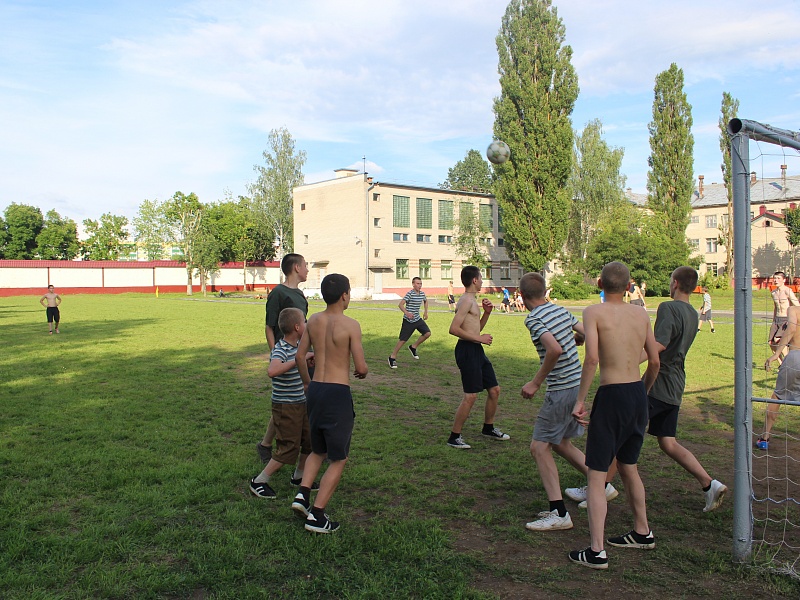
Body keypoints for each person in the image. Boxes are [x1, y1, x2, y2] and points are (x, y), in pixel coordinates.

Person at [568, 261, 661, 570]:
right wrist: (642, 394)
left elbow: (592, 357)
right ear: (629, 285)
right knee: (628, 466)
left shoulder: (593, 312)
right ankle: (642, 531)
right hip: (636, 392)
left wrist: (580, 400)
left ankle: (596, 551)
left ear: (600, 283)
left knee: (596, 476)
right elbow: (655, 362)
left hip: (612, 393)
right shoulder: (641, 313)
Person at [519, 272, 596, 532]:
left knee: (539, 447)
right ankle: (601, 486)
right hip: (577, 386)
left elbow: (554, 349)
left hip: (561, 389)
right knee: (561, 442)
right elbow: (585, 334)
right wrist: (578, 340)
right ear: (544, 292)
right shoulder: (559, 310)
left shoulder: (534, 318)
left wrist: (535, 382)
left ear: (522, 296)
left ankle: (559, 512)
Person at [646, 267, 727, 513]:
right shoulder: (693, 313)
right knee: (668, 442)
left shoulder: (667, 308)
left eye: (671, 281)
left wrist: (630, 360)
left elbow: (659, 345)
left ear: (676, 283)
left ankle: (600, 485)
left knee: (627, 433)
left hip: (659, 382)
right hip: (677, 383)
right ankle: (709, 483)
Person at [292, 274, 368, 533]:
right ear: (345, 295)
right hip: (337, 393)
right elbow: (360, 366)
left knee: (317, 450)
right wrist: (363, 371)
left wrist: (306, 383)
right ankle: (318, 515)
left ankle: (302, 495)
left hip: (316, 391)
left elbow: (301, 356)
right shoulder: (351, 325)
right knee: (339, 458)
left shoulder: (313, 320)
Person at [249, 308, 315, 499]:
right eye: (304, 321)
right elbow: (273, 370)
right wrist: (297, 360)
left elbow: (300, 366)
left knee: (310, 441)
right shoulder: (281, 349)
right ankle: (259, 481)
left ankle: (299, 476)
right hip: (286, 406)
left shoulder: (299, 348)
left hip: (301, 403)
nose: (306, 324)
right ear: (296, 327)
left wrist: (306, 361)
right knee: (288, 447)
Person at [447, 266, 509, 449]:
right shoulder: (466, 300)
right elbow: (454, 329)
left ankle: (488, 428)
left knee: (494, 390)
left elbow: (474, 330)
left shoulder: (473, 301)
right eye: (481, 278)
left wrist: (487, 314)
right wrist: (480, 339)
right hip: (467, 350)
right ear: (474, 280)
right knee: (471, 396)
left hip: (476, 350)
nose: (482, 281)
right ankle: (454, 437)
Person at [257, 254, 311, 464]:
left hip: (300, 352)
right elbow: (269, 327)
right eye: (305, 265)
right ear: (296, 267)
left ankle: (272, 444)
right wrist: (275, 355)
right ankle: (268, 445)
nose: (307, 269)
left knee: (297, 399)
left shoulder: (300, 293)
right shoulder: (278, 292)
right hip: (286, 355)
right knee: (288, 401)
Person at [763, 304, 800, 449]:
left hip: (795, 357)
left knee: (777, 396)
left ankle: (765, 437)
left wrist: (777, 354)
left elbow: (791, 328)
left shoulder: (794, 309)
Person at [388, 277, 430, 368]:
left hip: (417, 319)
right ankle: (392, 357)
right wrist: (407, 313)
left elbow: (426, 301)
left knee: (427, 333)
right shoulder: (410, 294)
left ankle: (413, 347)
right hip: (408, 321)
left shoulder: (422, 294)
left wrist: (426, 312)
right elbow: (400, 304)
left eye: (420, 284)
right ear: (413, 284)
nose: (419, 285)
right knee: (403, 340)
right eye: (418, 284)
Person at [768, 271, 799, 362]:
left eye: (778, 278)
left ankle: (787, 361)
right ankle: (781, 364)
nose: (776, 280)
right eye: (775, 278)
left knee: (777, 339)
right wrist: (774, 321)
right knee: (771, 343)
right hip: (777, 319)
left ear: (784, 280)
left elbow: (796, 304)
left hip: (786, 319)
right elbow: (775, 307)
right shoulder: (773, 293)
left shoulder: (787, 291)